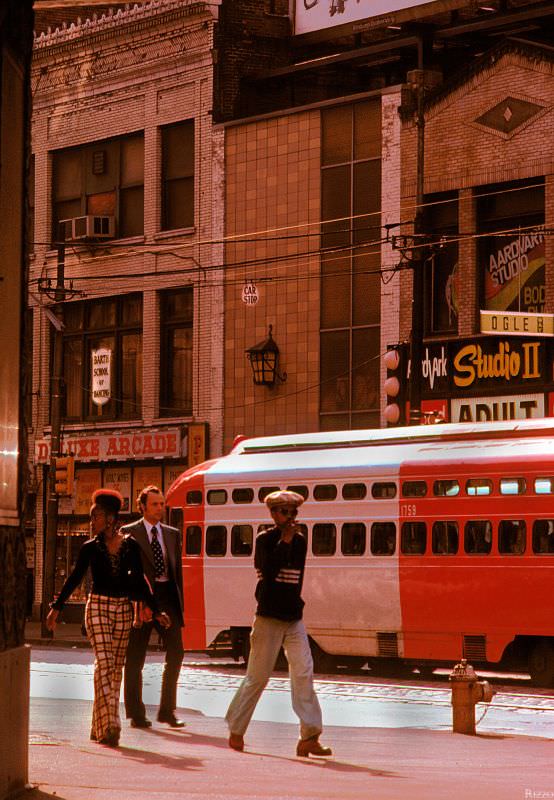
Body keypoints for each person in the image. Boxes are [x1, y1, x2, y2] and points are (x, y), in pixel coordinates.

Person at [46, 489, 169, 748]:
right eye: (92, 517)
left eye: (97, 516)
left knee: (113, 671)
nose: (93, 522)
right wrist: (57, 607)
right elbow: (75, 577)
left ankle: (97, 725)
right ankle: (111, 726)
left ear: (111, 517)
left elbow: (139, 581)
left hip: (123, 609)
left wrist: (156, 610)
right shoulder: (90, 548)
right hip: (98, 607)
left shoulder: (131, 546)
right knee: (104, 661)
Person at [225, 490, 332, 758]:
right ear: (273, 514)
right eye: (285, 512)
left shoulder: (301, 542)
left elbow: (295, 580)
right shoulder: (264, 540)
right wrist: (283, 542)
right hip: (269, 616)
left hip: (292, 616)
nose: (290, 517)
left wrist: (289, 542)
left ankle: (310, 735)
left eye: (294, 512)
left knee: (304, 671)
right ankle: (236, 728)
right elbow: (267, 574)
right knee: (258, 676)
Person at [123, 485, 185, 729]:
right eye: (155, 504)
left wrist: (179, 606)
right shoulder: (129, 533)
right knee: (136, 657)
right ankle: (136, 714)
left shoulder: (172, 534)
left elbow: (176, 571)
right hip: (142, 599)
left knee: (177, 652)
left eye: (162, 504)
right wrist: (137, 603)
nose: (160, 508)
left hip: (168, 597)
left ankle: (167, 710)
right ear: (142, 507)